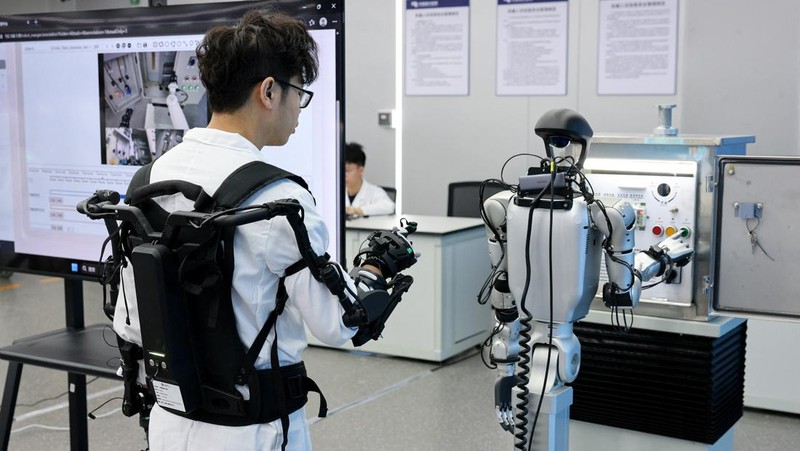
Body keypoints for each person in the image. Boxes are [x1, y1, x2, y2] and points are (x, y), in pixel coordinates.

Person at [112, 9, 389, 450]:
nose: (299, 107)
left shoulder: (147, 181)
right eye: (300, 92)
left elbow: (129, 323)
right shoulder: (278, 198)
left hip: (169, 426)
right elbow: (340, 325)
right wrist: (374, 272)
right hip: (256, 431)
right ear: (269, 91)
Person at [345, 142, 395, 217]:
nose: (343, 175)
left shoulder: (374, 192)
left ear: (360, 170)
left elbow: (389, 206)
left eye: (347, 170)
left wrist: (358, 210)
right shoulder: (334, 193)